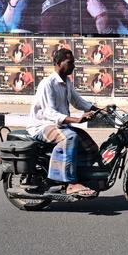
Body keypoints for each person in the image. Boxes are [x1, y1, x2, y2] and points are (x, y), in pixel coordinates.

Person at [26, 48, 102, 197]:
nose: (73, 66)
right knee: (70, 138)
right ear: (59, 63)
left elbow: (78, 101)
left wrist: (100, 110)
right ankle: (70, 183)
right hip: (42, 126)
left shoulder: (67, 81)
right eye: (70, 62)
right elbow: (49, 113)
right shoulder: (48, 83)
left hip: (60, 126)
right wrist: (77, 119)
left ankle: (76, 172)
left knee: (90, 146)